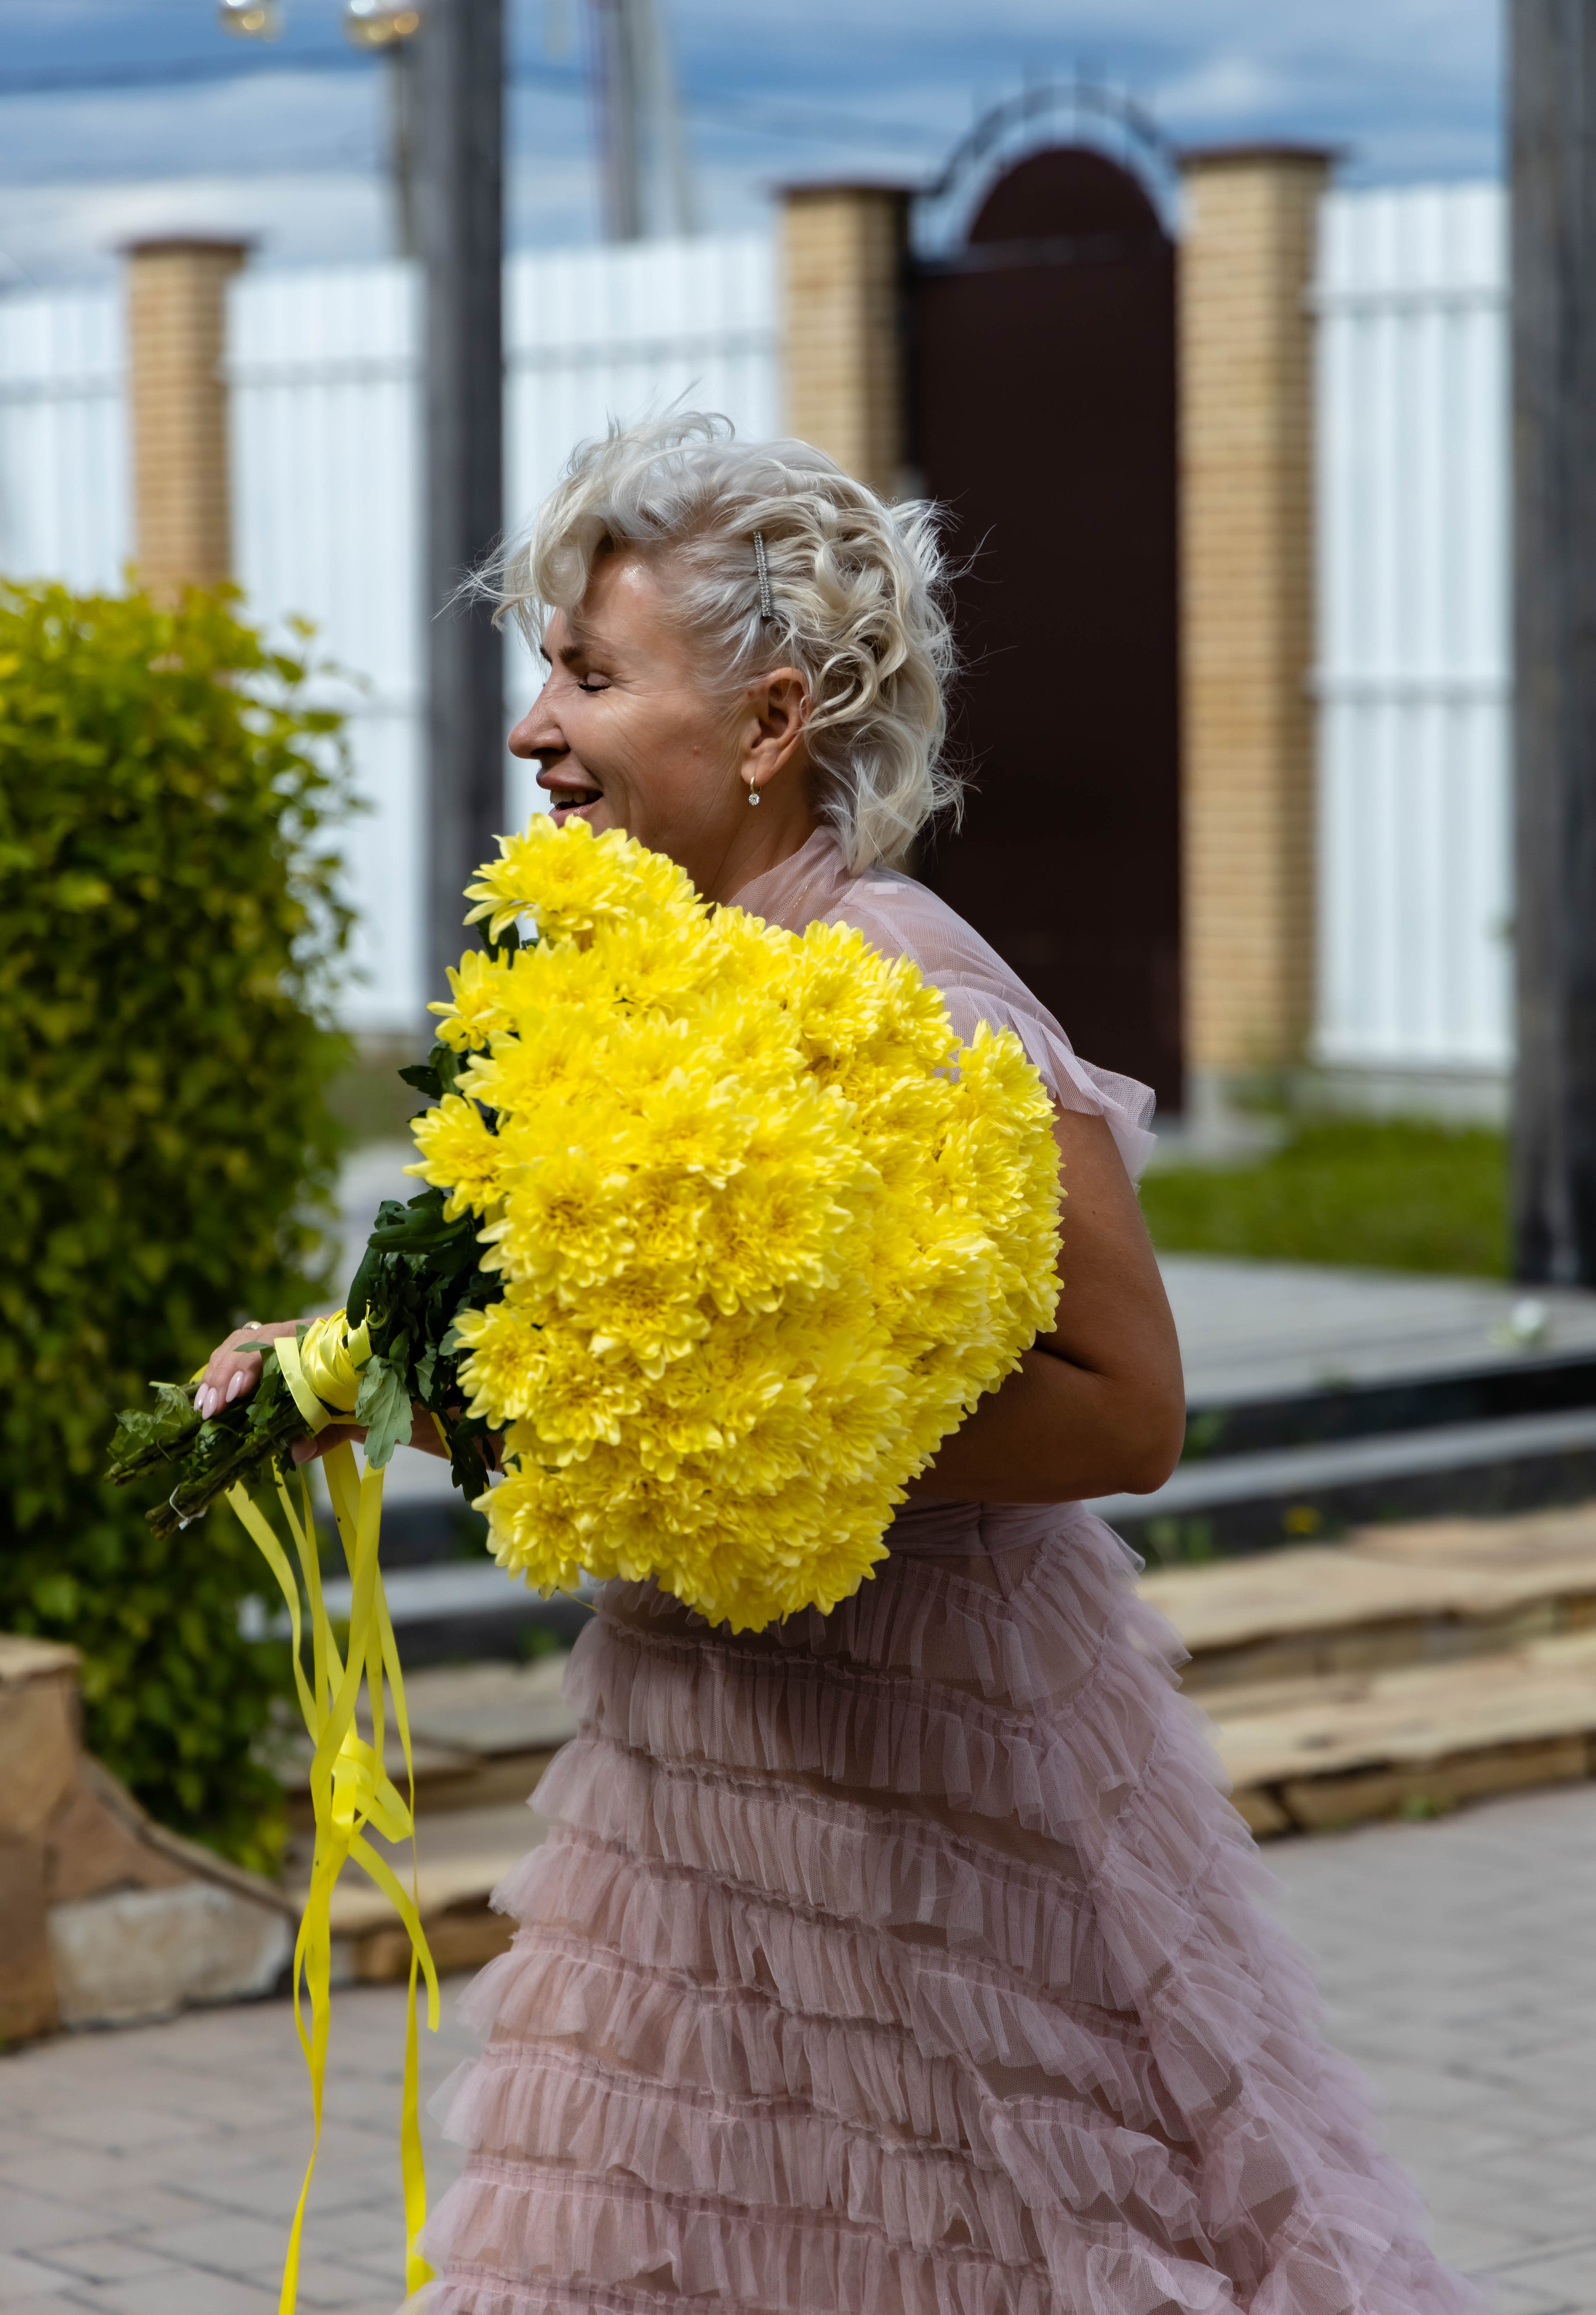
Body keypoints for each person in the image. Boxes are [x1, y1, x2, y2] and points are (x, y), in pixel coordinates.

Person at [198, 415, 1478, 2315]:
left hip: (922, 1767)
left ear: (775, 721)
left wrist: (760, 1437)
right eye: (546, 669)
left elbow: (1130, 1405)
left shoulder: (909, 984)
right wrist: (360, 1372)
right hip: (693, 1758)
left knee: (989, 2238)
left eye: (593, 673)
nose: (539, 726)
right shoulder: (619, 974)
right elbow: (558, 1332)